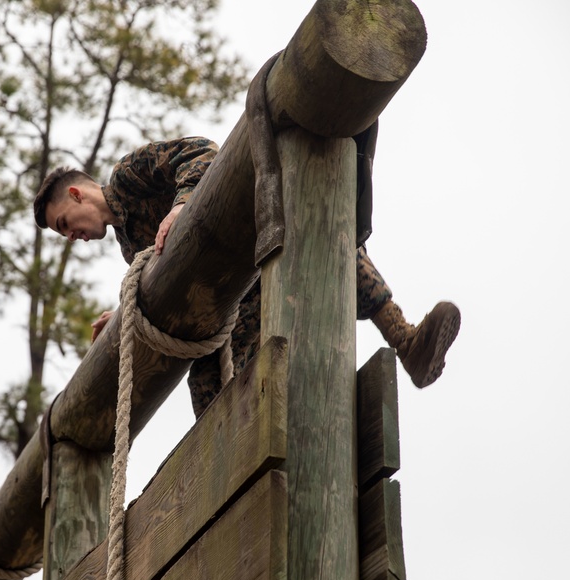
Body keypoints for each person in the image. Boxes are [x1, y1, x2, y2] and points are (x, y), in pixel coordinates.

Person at [33, 136, 459, 418]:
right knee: (210, 385)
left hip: (250, 242)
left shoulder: (128, 175)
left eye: (65, 224)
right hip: (231, 303)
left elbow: (201, 152)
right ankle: (228, 474)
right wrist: (126, 314)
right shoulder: (128, 244)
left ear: (76, 194)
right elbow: (154, 278)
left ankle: (407, 342)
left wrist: (182, 206)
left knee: (334, 243)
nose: (72, 237)